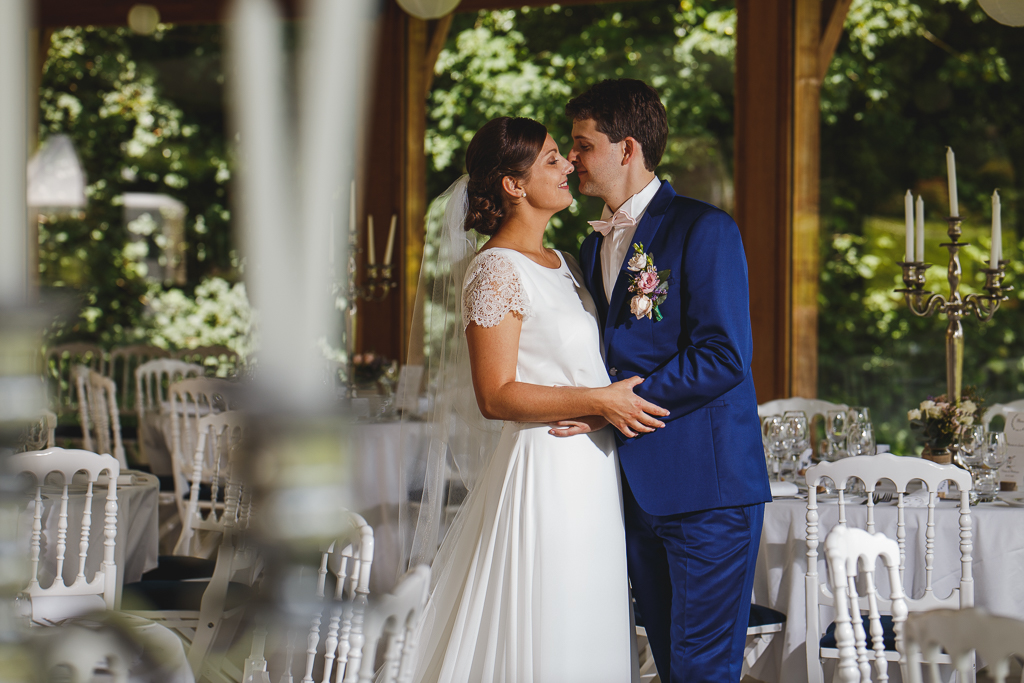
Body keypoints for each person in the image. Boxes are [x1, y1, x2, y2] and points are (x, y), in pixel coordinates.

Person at [409, 116, 669, 683]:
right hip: (545, 467)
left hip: (593, 469)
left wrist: (599, 403)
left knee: (590, 616)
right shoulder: (495, 270)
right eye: (553, 158)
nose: (569, 165)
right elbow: (496, 395)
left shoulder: (567, 264)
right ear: (514, 185)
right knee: (551, 618)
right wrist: (598, 400)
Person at [562, 79, 772, 682]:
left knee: (702, 669)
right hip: (633, 491)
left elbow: (726, 353)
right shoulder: (589, 243)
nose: (572, 159)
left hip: (706, 490)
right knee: (670, 664)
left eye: (583, 144)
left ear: (627, 148)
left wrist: (617, 405)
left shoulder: (704, 230)